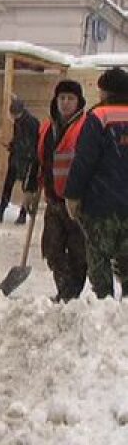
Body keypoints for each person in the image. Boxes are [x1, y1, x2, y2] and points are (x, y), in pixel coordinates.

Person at [64, 67, 128, 299]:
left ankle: (104, 304)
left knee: (99, 256)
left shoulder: (99, 117)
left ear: (106, 92)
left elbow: (83, 161)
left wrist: (72, 196)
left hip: (102, 206)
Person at [23, 80, 87, 302]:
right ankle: (65, 290)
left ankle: (71, 295)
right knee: (52, 249)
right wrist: (30, 189)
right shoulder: (46, 128)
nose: (66, 103)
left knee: (79, 252)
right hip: (53, 200)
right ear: (55, 100)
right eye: (62, 98)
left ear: (79, 101)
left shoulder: (87, 127)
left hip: (78, 203)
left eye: (71, 98)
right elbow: (37, 159)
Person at [0, 96, 39, 224]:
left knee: (27, 189)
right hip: (17, 159)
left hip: (27, 161)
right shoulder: (19, 122)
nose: (13, 117)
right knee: (8, 185)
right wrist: (12, 145)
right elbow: (19, 139)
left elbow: (31, 143)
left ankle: (22, 214)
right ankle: (1, 212)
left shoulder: (31, 123)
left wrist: (16, 147)